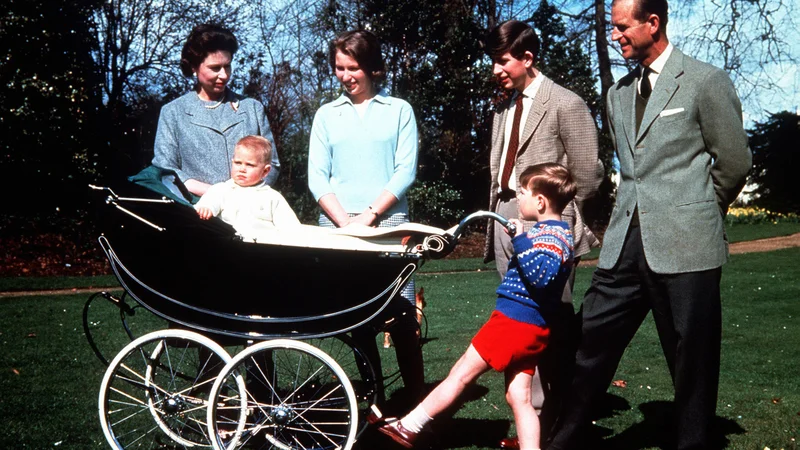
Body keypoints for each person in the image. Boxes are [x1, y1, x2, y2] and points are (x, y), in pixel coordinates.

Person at [547, 0, 752, 448]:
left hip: (687, 243)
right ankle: (562, 438)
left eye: (622, 27)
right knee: (588, 339)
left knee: (690, 355)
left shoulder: (705, 81)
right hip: (625, 242)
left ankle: (692, 442)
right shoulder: (618, 93)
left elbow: (734, 163)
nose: (615, 35)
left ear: (653, 22)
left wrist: (697, 210)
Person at [376, 163, 577, 450]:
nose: (518, 198)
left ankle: (409, 426)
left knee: (459, 375)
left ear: (541, 201)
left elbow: (541, 276)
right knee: (519, 397)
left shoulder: (550, 237)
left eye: (522, 192)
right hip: (532, 329)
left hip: (512, 323)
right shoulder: (557, 233)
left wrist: (521, 240)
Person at [481, 20, 603, 448]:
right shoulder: (502, 108)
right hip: (505, 220)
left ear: (527, 58)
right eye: (492, 61)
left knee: (552, 324)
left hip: (546, 228)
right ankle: (530, 423)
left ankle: (557, 424)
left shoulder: (565, 103)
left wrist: (558, 223)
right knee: (519, 323)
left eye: (502, 60)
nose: (495, 69)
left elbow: (588, 174)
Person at [307, 29, 424, 406]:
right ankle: (375, 402)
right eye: (339, 68)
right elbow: (316, 178)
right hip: (340, 227)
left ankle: (416, 404)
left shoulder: (399, 111)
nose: (345, 75)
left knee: (402, 314)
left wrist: (371, 215)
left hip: (389, 224)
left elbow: (405, 171)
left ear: (372, 67)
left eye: (353, 67)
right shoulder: (326, 115)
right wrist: (346, 223)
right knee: (355, 318)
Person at [153, 23, 280, 196]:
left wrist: (248, 195)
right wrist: (218, 194)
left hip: (249, 210)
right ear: (194, 67)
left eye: (227, 66)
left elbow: (272, 163)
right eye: (215, 68)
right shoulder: (173, 112)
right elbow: (166, 170)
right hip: (195, 212)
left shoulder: (252, 108)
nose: (224, 75)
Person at [195, 135, 300, 235]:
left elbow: (291, 228)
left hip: (261, 248)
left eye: (249, 165)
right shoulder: (221, 189)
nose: (242, 169)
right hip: (228, 245)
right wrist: (205, 209)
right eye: (238, 163)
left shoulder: (273, 197)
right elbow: (205, 206)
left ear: (265, 171)